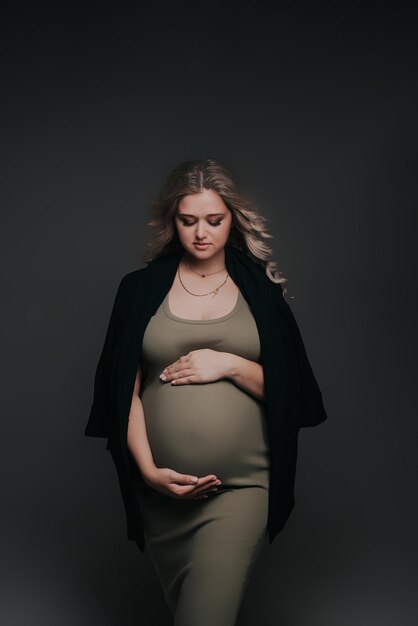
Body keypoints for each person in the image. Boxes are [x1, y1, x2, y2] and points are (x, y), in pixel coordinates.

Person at [85, 158, 328, 626]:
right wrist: (151, 473)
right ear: (171, 221)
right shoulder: (137, 291)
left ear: (232, 218)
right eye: (188, 220)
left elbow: (292, 395)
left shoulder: (261, 290)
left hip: (242, 485)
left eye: (214, 220)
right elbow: (123, 394)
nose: (201, 233)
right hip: (161, 491)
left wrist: (231, 365)